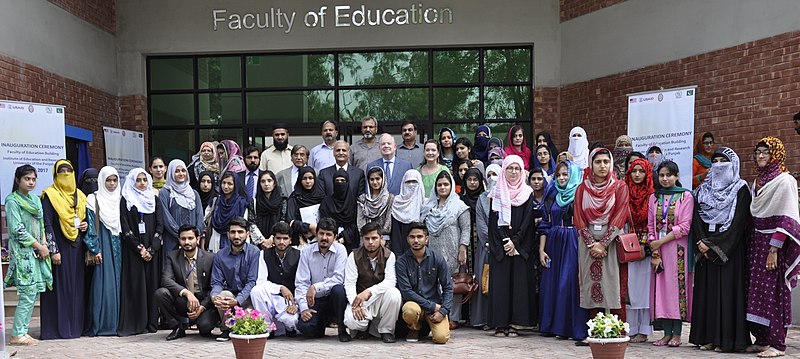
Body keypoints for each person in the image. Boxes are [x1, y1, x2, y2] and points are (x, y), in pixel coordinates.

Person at [689, 147, 751, 352]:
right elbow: (696, 217)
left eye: (722, 161)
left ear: (733, 164)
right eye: (714, 161)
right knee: (707, 294)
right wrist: (702, 243)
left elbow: (739, 223)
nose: (717, 165)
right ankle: (707, 337)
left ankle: (727, 340)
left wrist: (715, 245)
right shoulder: (702, 190)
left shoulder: (740, 189)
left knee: (727, 294)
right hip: (705, 248)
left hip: (729, 251)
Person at [746, 137, 800, 358]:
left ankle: (778, 344)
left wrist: (774, 249)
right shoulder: (758, 182)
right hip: (756, 242)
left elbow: (787, 217)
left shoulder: (784, 181)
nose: (760, 156)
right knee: (756, 291)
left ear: (775, 155)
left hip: (774, 245)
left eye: (765, 153)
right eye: (757, 152)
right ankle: (762, 339)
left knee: (774, 292)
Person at [574, 148, 630, 329]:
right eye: (598, 162)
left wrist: (603, 243)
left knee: (612, 285)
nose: (603, 166)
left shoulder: (620, 187)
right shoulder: (582, 189)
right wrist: (592, 244)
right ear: (591, 165)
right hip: (587, 242)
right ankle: (595, 330)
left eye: (606, 161)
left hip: (612, 242)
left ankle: (614, 330)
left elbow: (620, 216)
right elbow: (579, 218)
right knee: (591, 284)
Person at [487, 155, 537, 337]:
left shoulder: (527, 193)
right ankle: (500, 324)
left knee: (518, 287)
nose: (514, 172)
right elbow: (494, 222)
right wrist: (505, 241)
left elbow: (527, 221)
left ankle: (516, 324)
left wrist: (515, 242)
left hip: (519, 246)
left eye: (517, 168)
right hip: (501, 246)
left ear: (522, 171)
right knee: (501, 286)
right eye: (510, 168)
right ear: (504, 170)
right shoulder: (497, 193)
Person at [539, 160, 589, 341]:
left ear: (573, 175)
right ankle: (554, 326)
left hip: (573, 241)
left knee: (568, 283)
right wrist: (541, 249)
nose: (561, 178)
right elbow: (545, 222)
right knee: (552, 284)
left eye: (565, 174)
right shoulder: (552, 192)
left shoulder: (581, 193)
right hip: (553, 241)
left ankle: (572, 328)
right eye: (558, 174)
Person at [39, 159, 88, 340]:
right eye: (62, 171)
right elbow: (47, 224)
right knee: (59, 288)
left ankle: (75, 328)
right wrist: (53, 249)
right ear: (55, 175)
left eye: (69, 171)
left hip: (77, 247)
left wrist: (84, 226)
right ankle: (56, 329)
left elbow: (85, 221)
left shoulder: (81, 196)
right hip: (60, 248)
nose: (66, 175)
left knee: (76, 289)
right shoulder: (49, 195)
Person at [647, 160, 694, 348]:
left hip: (678, 250)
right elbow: (651, 226)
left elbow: (685, 226)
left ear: (677, 176)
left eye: (669, 175)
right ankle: (666, 334)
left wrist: (660, 241)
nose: (665, 179)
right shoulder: (654, 198)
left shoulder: (685, 197)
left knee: (677, 291)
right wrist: (655, 249)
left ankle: (677, 334)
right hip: (659, 250)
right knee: (662, 291)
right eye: (662, 175)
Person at [5, 165, 53, 345]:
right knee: (27, 292)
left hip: (38, 250)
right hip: (23, 252)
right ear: (18, 180)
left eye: (33, 179)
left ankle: (22, 332)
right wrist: (38, 246)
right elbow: (17, 229)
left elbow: (40, 225)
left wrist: (44, 243)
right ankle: (17, 334)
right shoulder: (12, 201)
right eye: (27, 179)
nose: (31, 182)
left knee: (33, 293)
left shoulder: (35, 199)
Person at [421, 171, 470, 329]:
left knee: (453, 283)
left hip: (452, 249)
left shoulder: (459, 206)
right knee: (434, 283)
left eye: (446, 184)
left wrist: (463, 248)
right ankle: (436, 314)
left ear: (451, 186)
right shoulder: (428, 206)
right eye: (439, 185)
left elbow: (466, 229)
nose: (442, 187)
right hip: (433, 249)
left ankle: (453, 317)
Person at [118, 168, 163, 336]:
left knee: (152, 286)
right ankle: (137, 323)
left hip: (152, 251)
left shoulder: (154, 199)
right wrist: (140, 249)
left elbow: (160, 225)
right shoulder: (126, 200)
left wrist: (152, 249)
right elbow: (125, 228)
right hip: (134, 252)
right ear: (132, 182)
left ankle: (152, 323)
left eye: (145, 180)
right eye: (138, 180)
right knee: (136, 286)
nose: (142, 183)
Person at [156, 224, 218, 340]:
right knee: (161, 293)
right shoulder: (172, 256)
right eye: (183, 239)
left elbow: (215, 286)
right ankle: (177, 327)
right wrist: (187, 293)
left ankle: (200, 321)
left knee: (204, 328)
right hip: (184, 302)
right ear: (179, 240)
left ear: (198, 239)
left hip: (204, 302)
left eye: (190, 238)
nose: (187, 242)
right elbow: (166, 279)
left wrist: (203, 307)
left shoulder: (211, 258)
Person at [343, 221, 402, 343]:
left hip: (379, 298)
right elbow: (349, 283)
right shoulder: (353, 256)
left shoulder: (389, 255)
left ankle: (386, 330)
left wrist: (369, 291)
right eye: (367, 238)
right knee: (351, 321)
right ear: (362, 239)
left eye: (374, 238)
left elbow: (391, 281)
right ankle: (364, 328)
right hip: (360, 300)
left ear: (381, 238)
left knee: (394, 294)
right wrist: (355, 304)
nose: (370, 242)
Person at [396, 222, 453, 344]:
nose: (416, 240)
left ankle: (427, 326)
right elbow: (406, 292)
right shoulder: (402, 262)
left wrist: (443, 311)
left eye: (420, 237)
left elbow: (448, 287)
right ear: (407, 239)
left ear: (426, 239)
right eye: (412, 237)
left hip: (435, 306)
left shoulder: (437, 258)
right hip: (415, 304)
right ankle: (414, 328)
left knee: (441, 338)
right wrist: (433, 306)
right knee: (409, 310)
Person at [295, 218, 350, 341]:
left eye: (329, 234)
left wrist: (316, 287)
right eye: (321, 233)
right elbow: (301, 283)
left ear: (335, 237)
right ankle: (321, 324)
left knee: (339, 290)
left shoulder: (341, 250)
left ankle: (341, 328)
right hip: (315, 301)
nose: (324, 237)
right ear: (316, 234)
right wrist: (304, 308)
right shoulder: (306, 252)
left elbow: (339, 278)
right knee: (305, 328)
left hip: (333, 300)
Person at [83, 166, 123, 336]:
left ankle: (118, 323)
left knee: (120, 284)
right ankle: (103, 324)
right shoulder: (93, 199)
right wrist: (95, 248)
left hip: (120, 244)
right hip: (103, 244)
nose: (112, 184)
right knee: (104, 285)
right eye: (108, 180)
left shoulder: (121, 198)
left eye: (114, 180)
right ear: (102, 181)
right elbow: (91, 226)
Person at [210, 216, 261, 341]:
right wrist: (214, 296)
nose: (236, 236)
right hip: (230, 297)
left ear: (247, 234)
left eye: (240, 232)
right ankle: (226, 329)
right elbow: (216, 282)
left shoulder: (254, 252)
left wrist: (237, 301)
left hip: (248, 299)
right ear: (228, 235)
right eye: (233, 232)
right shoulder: (220, 255)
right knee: (222, 294)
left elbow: (251, 282)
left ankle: (234, 325)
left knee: (248, 325)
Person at [623, 158, 655, 343]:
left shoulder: (652, 195)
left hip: (645, 247)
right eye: (634, 171)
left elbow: (653, 221)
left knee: (644, 288)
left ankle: (644, 330)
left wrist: (647, 246)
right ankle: (631, 328)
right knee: (630, 287)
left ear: (647, 173)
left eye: (641, 171)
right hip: (627, 245)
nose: (636, 175)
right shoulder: (623, 191)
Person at [250, 222, 301, 337]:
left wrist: (296, 304)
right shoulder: (263, 254)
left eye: (285, 238)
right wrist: (280, 288)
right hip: (272, 297)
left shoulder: (299, 255)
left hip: (291, 300)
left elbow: (301, 283)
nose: (281, 242)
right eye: (278, 238)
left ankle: (289, 328)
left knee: (292, 321)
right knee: (256, 291)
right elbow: (261, 281)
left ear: (290, 240)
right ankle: (266, 327)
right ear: (273, 239)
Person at [472, 163, 500, 330]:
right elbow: (481, 224)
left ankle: (498, 318)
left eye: (495, 175)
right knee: (483, 282)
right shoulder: (482, 198)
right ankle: (483, 319)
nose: (492, 179)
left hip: (503, 247)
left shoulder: (507, 195)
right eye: (489, 175)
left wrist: (500, 241)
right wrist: (490, 242)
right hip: (486, 247)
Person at [159, 159, 205, 265]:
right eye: (177, 171)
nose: (181, 174)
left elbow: (200, 217)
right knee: (173, 271)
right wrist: (181, 237)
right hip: (172, 241)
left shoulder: (194, 194)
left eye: (183, 170)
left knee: (192, 272)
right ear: (170, 173)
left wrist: (193, 236)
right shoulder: (165, 193)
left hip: (192, 242)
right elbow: (166, 218)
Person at [206, 172, 265, 252]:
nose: (226, 186)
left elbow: (248, 224)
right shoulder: (216, 202)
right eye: (224, 183)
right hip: (217, 241)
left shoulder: (241, 204)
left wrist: (262, 241)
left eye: (230, 184)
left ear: (235, 185)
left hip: (238, 241)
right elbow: (206, 221)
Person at [319, 169, 359, 251]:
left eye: (343, 180)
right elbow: (324, 223)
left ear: (347, 183)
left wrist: (344, 237)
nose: (340, 183)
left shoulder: (353, 202)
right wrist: (333, 238)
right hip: (329, 241)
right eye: (337, 181)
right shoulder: (326, 202)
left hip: (350, 242)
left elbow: (355, 224)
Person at [285, 166, 325, 246]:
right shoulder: (295, 197)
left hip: (321, 238)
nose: (308, 181)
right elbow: (290, 221)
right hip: (301, 240)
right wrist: (308, 227)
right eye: (304, 178)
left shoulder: (321, 196)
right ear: (300, 180)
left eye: (310, 178)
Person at [389, 170, 425, 256]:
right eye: (408, 182)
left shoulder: (425, 204)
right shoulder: (397, 203)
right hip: (402, 254)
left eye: (414, 182)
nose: (411, 185)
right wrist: (398, 255)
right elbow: (395, 234)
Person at [358, 167, 394, 240]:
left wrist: (378, 236)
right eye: (372, 179)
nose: (375, 182)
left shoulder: (390, 198)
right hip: (366, 238)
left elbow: (388, 222)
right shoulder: (363, 199)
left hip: (384, 239)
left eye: (377, 179)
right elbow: (360, 222)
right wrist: (368, 235)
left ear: (383, 179)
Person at [251, 170, 286, 245]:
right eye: (263, 181)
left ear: (274, 183)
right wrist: (262, 241)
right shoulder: (254, 202)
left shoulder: (282, 201)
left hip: (278, 242)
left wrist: (272, 239)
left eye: (269, 181)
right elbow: (251, 223)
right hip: (259, 244)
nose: (266, 184)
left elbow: (283, 220)